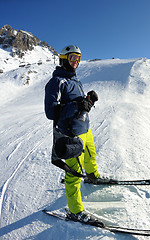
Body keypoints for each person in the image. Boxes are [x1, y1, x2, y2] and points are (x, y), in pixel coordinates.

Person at [44, 45, 105, 224]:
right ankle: (75, 211)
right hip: (70, 134)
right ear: (63, 59)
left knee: (91, 155)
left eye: (78, 58)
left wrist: (88, 100)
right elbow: (51, 112)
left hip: (84, 129)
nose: (76, 62)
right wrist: (77, 106)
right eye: (72, 58)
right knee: (74, 174)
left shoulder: (75, 80)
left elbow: (76, 104)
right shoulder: (56, 82)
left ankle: (93, 176)